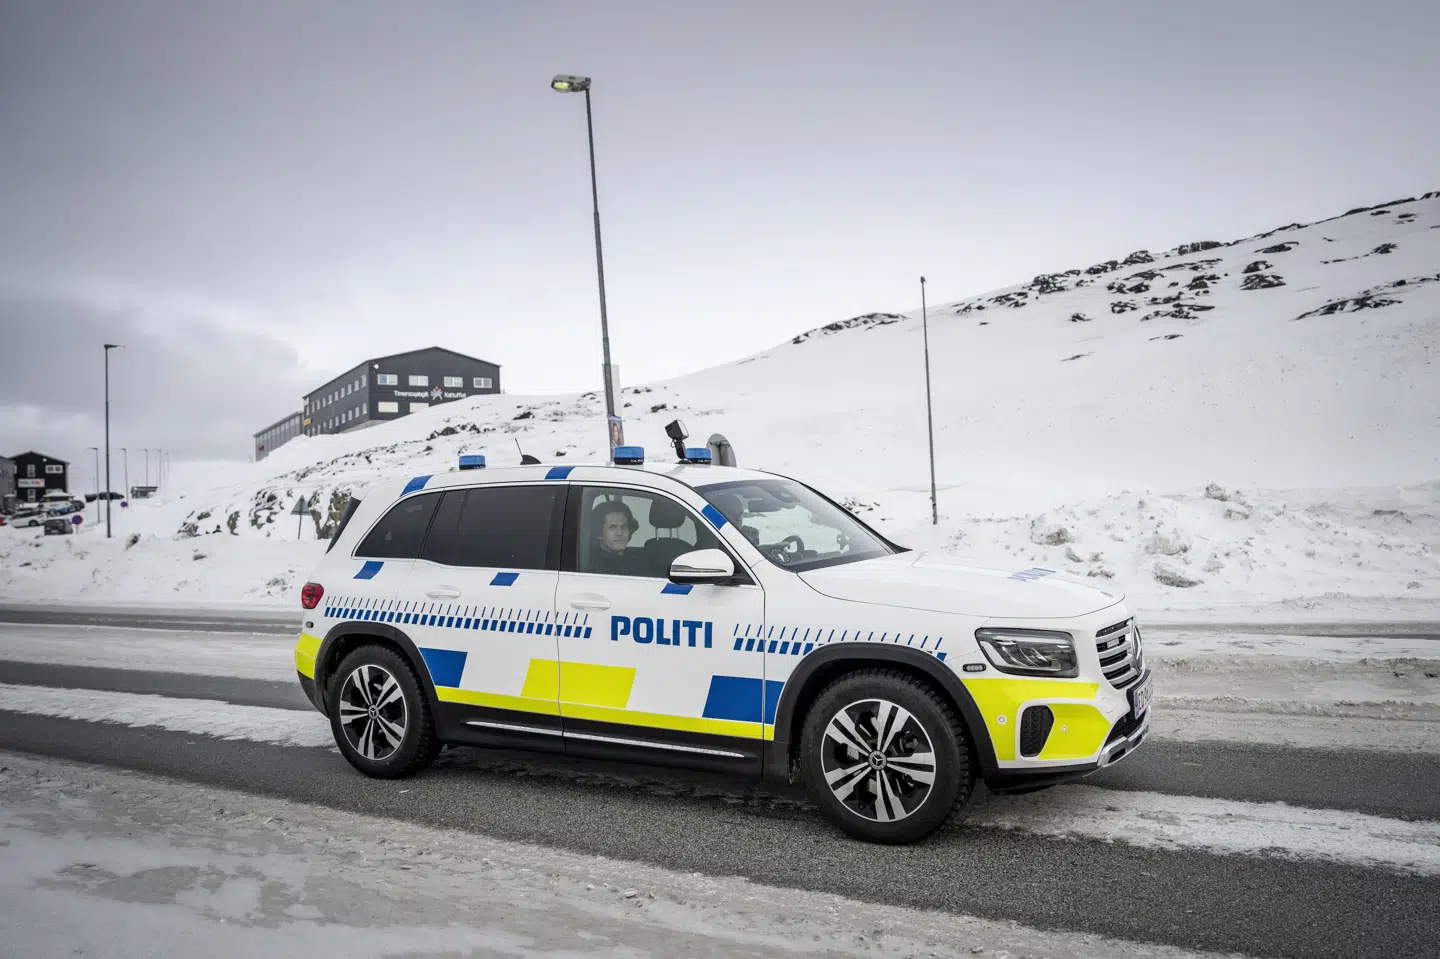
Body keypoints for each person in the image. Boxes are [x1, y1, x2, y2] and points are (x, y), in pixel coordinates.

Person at [589, 499, 646, 576]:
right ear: (599, 533)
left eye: (624, 526)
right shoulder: (600, 568)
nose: (620, 533)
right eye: (612, 527)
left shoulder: (636, 557)